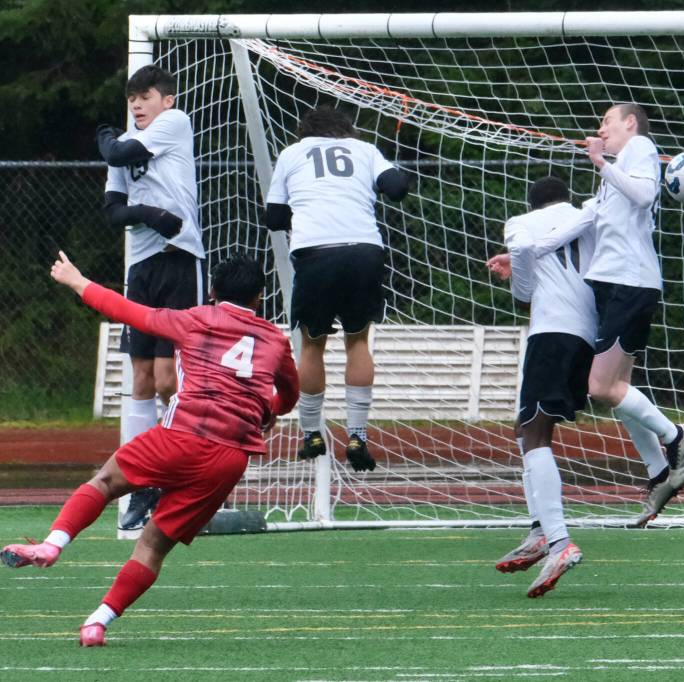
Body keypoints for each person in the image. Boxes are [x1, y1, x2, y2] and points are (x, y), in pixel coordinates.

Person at [1, 251, 299, 647]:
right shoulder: (276, 341)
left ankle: (53, 545)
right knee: (153, 545)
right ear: (260, 297)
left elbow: (126, 309)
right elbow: (293, 393)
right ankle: (97, 623)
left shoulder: (192, 318)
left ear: (211, 291)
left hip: (181, 435)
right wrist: (270, 409)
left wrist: (75, 280)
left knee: (106, 481)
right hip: (229, 458)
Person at [515, 104, 684, 528]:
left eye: (607, 123)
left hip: (631, 283)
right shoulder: (612, 176)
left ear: (629, 123)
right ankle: (659, 473)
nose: (601, 130)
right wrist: (524, 253)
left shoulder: (641, 148)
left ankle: (674, 438)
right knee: (618, 388)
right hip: (617, 286)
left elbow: (646, 194)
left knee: (601, 386)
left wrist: (600, 161)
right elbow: (582, 221)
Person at [264, 106, 409, 470]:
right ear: (346, 131)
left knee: (312, 344)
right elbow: (397, 188)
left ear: (305, 131)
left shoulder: (292, 153)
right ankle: (358, 435)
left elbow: (274, 218)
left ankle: (311, 432)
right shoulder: (364, 149)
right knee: (358, 340)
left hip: (316, 252)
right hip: (364, 250)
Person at [96, 64, 206, 530]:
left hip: (180, 258)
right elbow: (112, 211)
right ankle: (141, 485)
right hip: (140, 268)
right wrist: (148, 211)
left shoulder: (174, 125)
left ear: (168, 100)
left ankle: (180, 474)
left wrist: (104, 137)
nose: (137, 104)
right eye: (131, 99)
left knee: (168, 380)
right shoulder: (122, 148)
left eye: (145, 96)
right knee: (140, 378)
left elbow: (120, 150)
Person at [486, 177, 593, 597]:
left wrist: (517, 277)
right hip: (588, 334)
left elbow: (526, 286)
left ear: (532, 204)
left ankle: (559, 541)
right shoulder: (588, 217)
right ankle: (538, 529)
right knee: (527, 426)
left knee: (534, 433)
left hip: (551, 331)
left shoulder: (521, 223)